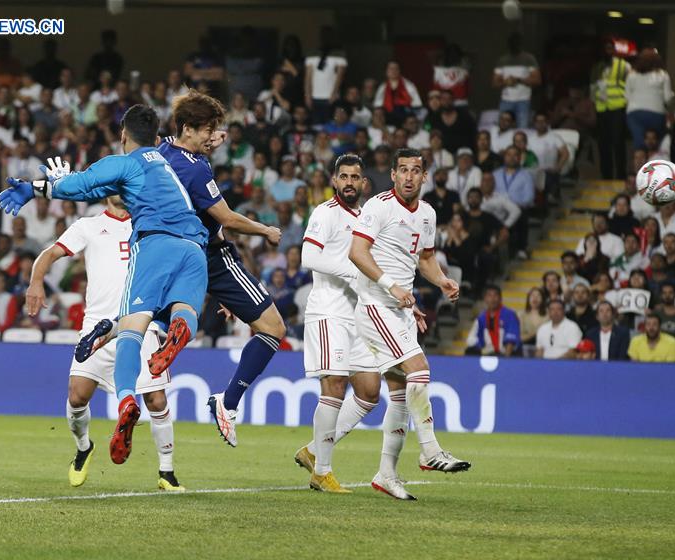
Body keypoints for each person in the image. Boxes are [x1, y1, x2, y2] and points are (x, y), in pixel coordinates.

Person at [0, 104, 213, 466]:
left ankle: (126, 400)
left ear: (123, 135)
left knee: (130, 330)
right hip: (195, 246)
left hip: (157, 243)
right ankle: (179, 330)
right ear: (158, 137)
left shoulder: (126, 162)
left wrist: (38, 188)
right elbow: (93, 191)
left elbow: (81, 185)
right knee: (183, 310)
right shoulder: (165, 163)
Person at [152, 91, 286, 448]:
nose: (212, 137)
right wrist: (265, 230)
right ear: (189, 128)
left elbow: (188, 149)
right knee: (273, 328)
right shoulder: (196, 168)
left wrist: (213, 138)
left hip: (172, 255)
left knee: (152, 321)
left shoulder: (162, 152)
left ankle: (114, 336)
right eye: (208, 130)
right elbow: (226, 218)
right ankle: (227, 402)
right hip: (212, 257)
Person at [26, 195, 183, 491]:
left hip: (140, 321)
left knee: (156, 400)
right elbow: (49, 253)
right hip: (97, 326)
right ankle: (84, 447)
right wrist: (36, 281)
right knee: (77, 396)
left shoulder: (151, 223)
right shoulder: (87, 226)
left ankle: (167, 471)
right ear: (107, 189)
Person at [349, 147, 471, 501]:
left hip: (401, 309)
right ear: (393, 174)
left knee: (401, 395)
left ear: (424, 176)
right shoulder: (378, 206)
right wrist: (392, 286)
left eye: (415, 170)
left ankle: (386, 474)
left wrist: (442, 281)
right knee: (419, 369)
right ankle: (430, 450)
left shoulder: (428, 214)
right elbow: (357, 253)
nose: (408, 176)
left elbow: (425, 259)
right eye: (402, 170)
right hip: (376, 305)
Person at [295, 154, 418, 493]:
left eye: (355, 177)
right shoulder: (325, 213)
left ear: (364, 183)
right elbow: (308, 256)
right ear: (334, 181)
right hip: (329, 311)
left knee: (368, 392)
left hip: (361, 315)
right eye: (344, 176)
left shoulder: (367, 217)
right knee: (334, 384)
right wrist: (352, 270)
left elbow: (377, 265)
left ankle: (313, 450)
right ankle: (322, 471)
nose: (349, 182)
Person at [590, 39, 629, 179]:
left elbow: (630, 85)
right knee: (603, 144)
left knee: (618, 143)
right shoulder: (597, 67)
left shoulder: (623, 66)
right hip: (602, 109)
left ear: (614, 50)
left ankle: (621, 175)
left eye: (610, 48)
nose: (608, 51)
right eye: (606, 48)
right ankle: (606, 176)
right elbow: (593, 89)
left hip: (618, 108)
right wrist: (594, 106)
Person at [625, 48, 673, 150]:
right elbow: (668, 99)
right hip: (656, 113)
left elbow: (627, 96)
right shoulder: (663, 75)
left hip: (635, 114)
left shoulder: (632, 75)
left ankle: (640, 158)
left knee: (639, 145)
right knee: (655, 145)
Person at [492, 32, 540, 128]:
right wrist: (505, 82)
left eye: (517, 43)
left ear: (521, 44)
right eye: (512, 43)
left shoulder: (529, 59)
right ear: (508, 45)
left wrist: (518, 80)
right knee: (502, 128)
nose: (515, 46)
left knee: (522, 129)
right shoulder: (502, 60)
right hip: (506, 100)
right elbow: (494, 83)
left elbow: (537, 80)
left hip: (523, 101)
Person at [465, 285, 520, 356]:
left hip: (506, 356)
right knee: (470, 350)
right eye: (489, 295)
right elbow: (470, 339)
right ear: (485, 299)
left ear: (500, 298)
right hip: (488, 355)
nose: (492, 299)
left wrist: (506, 360)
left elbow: (511, 341)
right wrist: (478, 344)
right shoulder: (481, 319)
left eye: (495, 295)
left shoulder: (509, 315)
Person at [373, 61, 422, 126]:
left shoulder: (409, 85)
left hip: (405, 121)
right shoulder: (382, 87)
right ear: (386, 71)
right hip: (387, 121)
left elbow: (417, 105)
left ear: (399, 71)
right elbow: (377, 106)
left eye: (396, 69)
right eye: (391, 69)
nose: (393, 71)